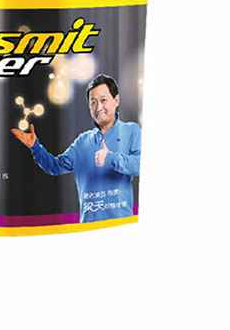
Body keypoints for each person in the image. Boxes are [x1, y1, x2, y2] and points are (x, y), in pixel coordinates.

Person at [11, 74, 141, 223]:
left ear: (116, 100)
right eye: (93, 102)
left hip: (120, 227)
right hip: (87, 228)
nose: (98, 107)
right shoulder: (82, 141)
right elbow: (55, 166)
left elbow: (140, 165)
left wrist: (110, 157)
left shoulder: (131, 130)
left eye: (103, 100)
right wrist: (35, 146)